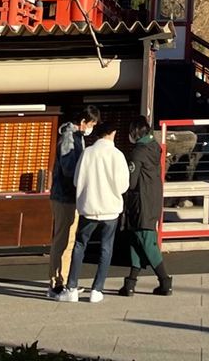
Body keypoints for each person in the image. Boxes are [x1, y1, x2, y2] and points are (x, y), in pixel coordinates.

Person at [59, 115, 129, 303]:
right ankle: (97, 290)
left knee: (80, 245)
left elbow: (76, 180)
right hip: (110, 208)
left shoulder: (87, 153)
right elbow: (123, 185)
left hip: (89, 207)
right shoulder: (117, 155)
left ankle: (72, 287)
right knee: (106, 248)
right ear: (113, 133)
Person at [48, 105, 99, 298]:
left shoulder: (78, 137)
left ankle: (66, 280)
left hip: (70, 197)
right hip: (64, 196)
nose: (91, 128)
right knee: (62, 240)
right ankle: (55, 283)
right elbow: (69, 167)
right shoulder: (69, 137)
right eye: (91, 124)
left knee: (68, 240)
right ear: (83, 122)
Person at [118, 120, 172, 298]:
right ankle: (130, 283)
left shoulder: (138, 153)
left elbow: (131, 182)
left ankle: (165, 281)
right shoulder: (154, 147)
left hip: (140, 202)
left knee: (147, 241)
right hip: (153, 199)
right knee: (137, 241)